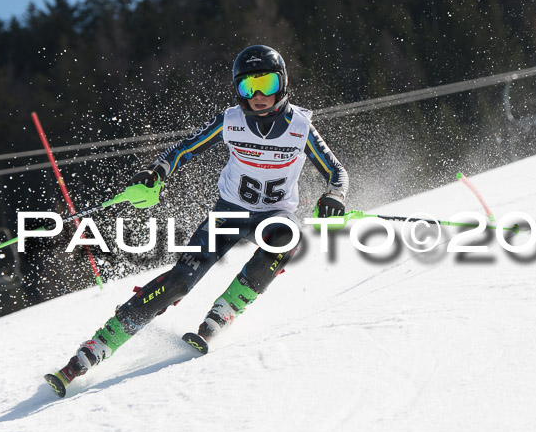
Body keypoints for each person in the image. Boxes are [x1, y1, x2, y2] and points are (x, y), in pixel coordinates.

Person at [48, 45, 349, 391]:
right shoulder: (231, 121)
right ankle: (98, 346)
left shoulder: (300, 125)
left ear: (282, 84)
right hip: (230, 213)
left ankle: (225, 311)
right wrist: (156, 172)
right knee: (181, 281)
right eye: (248, 87)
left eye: (266, 83)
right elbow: (183, 150)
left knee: (288, 236)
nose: (259, 96)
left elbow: (336, 172)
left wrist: (334, 197)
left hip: (274, 216)